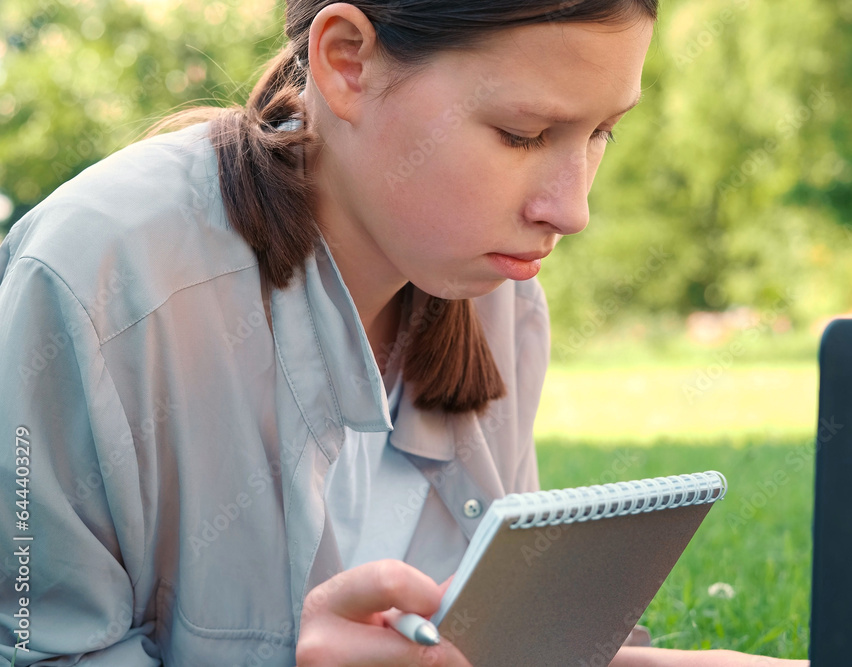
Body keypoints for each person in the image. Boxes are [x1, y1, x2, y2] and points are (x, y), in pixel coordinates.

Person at [0, 1, 808, 664]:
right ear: (347, 61)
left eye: (601, 133)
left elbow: (486, 647)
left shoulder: (498, 294)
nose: (571, 209)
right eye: (523, 135)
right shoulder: (92, 280)